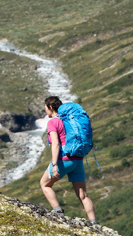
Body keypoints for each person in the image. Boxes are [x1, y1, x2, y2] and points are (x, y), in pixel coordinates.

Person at [39, 96, 97, 224]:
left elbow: (55, 144)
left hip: (64, 159)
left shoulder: (53, 122)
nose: (45, 112)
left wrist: (54, 164)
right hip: (77, 159)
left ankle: (58, 214)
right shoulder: (67, 120)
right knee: (83, 195)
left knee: (45, 184)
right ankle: (94, 223)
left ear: (50, 107)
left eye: (45, 109)